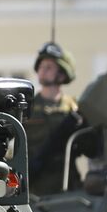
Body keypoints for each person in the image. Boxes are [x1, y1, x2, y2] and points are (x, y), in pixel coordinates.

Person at [25, 41, 86, 195]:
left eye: (49, 67)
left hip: (67, 186)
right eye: (41, 66)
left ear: (61, 74)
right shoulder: (27, 108)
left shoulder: (74, 108)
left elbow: (92, 149)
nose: (42, 70)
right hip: (34, 187)